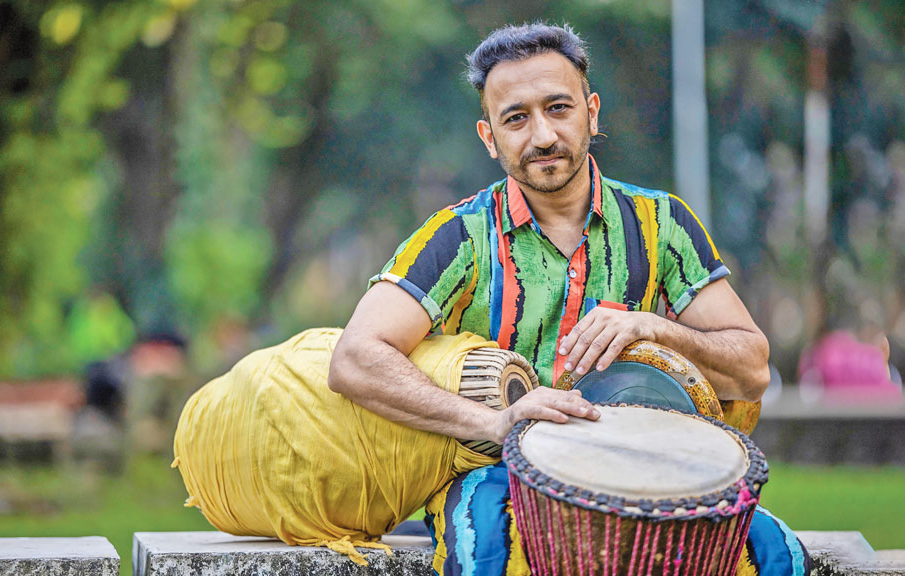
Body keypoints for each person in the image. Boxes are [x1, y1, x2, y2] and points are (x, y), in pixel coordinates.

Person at [328, 22, 808, 576]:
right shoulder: (457, 235)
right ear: (489, 138)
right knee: (485, 550)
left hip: (648, 461)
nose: (542, 135)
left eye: (558, 108)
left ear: (592, 112)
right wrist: (494, 421)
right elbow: (355, 358)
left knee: (777, 556)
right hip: (497, 472)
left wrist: (653, 328)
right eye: (516, 118)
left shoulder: (662, 223)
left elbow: (751, 368)